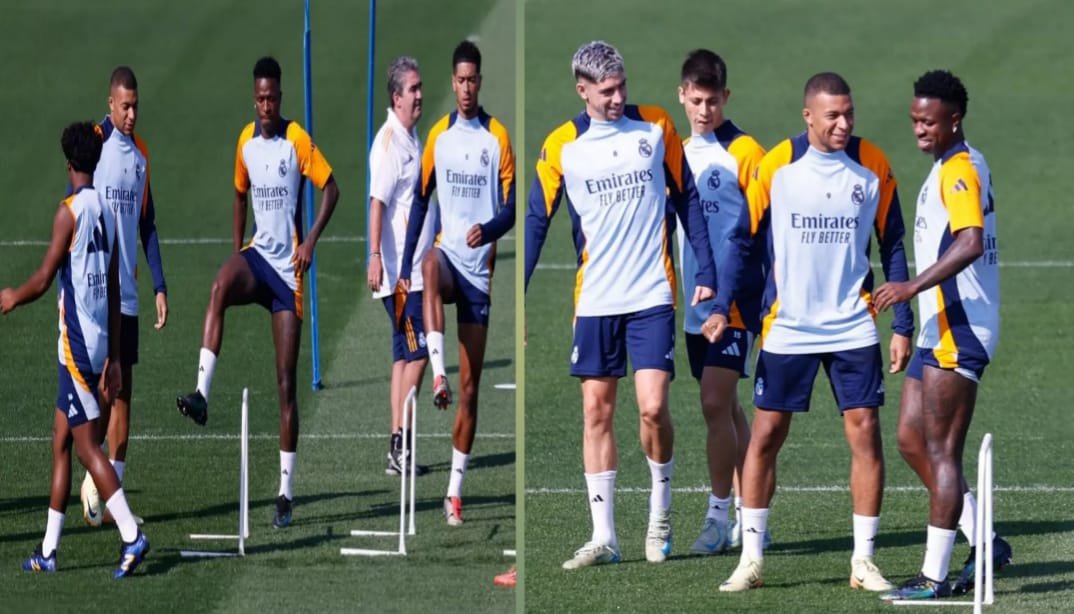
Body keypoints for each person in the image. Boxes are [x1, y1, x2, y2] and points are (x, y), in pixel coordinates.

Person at [706, 72, 914, 592]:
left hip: (852, 324)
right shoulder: (778, 166)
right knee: (767, 435)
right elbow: (744, 240)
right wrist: (724, 305)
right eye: (833, 116)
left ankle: (863, 561)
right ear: (808, 116)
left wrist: (903, 323)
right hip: (789, 325)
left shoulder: (873, 166)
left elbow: (891, 243)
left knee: (865, 430)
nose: (844, 124)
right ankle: (751, 557)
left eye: (849, 113)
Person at [525, 40, 717, 569]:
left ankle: (660, 510)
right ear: (582, 90)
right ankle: (604, 536)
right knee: (596, 411)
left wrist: (708, 270)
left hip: (652, 292)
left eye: (622, 87)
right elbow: (537, 219)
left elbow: (687, 198)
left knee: (653, 407)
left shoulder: (655, 127)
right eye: (606, 91)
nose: (617, 98)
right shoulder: (562, 145)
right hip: (596, 299)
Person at [176, 57, 340, 529]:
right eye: (260, 98)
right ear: (254, 97)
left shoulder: (297, 140)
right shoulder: (245, 141)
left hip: (288, 274)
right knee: (219, 283)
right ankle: (202, 394)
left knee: (286, 384)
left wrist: (309, 241)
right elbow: (238, 194)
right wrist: (236, 252)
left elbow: (332, 189)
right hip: (256, 258)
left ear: (281, 97)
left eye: (272, 98)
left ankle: (285, 492)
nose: (266, 105)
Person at [875, 69, 1011, 601]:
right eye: (914, 120)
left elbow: (971, 241)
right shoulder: (948, 166)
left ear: (955, 120)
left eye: (928, 121)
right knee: (912, 440)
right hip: (936, 324)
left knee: (942, 448)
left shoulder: (958, 172)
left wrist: (909, 288)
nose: (919, 130)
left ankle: (934, 577)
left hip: (960, 327)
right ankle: (984, 539)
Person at [1, 121, 149, 577]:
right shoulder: (103, 208)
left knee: (86, 446)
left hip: (78, 347)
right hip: (101, 339)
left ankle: (131, 535)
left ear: (69, 165)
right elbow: (111, 277)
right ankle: (48, 551)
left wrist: (10, 297)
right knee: (61, 440)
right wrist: (118, 355)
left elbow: (45, 279)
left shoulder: (69, 212)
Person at [398, 40, 515, 527]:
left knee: (473, 392)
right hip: (447, 257)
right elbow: (423, 201)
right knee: (429, 263)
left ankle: (454, 491)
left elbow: (510, 209)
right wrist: (402, 263)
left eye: (473, 80)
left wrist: (487, 231)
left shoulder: (497, 138)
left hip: (478, 275)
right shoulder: (439, 137)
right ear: (453, 81)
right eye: (460, 80)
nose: (466, 88)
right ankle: (436, 374)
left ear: (480, 82)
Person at [673, 49, 767, 556]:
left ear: (726, 98)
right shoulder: (677, 153)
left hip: (734, 303)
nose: (705, 110)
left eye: (713, 101)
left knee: (713, 401)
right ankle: (756, 517)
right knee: (726, 408)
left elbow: (761, 227)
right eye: (696, 100)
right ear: (682, 96)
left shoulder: (746, 152)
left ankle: (717, 516)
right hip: (693, 301)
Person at [79, 66, 168, 527]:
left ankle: (113, 491)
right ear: (110, 102)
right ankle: (92, 471)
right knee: (95, 394)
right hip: (92, 294)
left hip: (128, 297)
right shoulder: (93, 144)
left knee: (123, 395)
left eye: (136, 105)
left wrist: (159, 284)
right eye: (125, 105)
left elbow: (147, 223)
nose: (132, 114)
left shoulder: (142, 154)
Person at [367, 56, 434, 477]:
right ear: (396, 97)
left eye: (421, 86)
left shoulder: (411, 136)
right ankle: (401, 444)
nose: (420, 94)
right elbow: (378, 203)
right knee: (421, 352)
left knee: (401, 358)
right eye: (413, 89)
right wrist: (375, 256)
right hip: (403, 276)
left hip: (411, 273)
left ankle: (397, 445)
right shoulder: (391, 142)